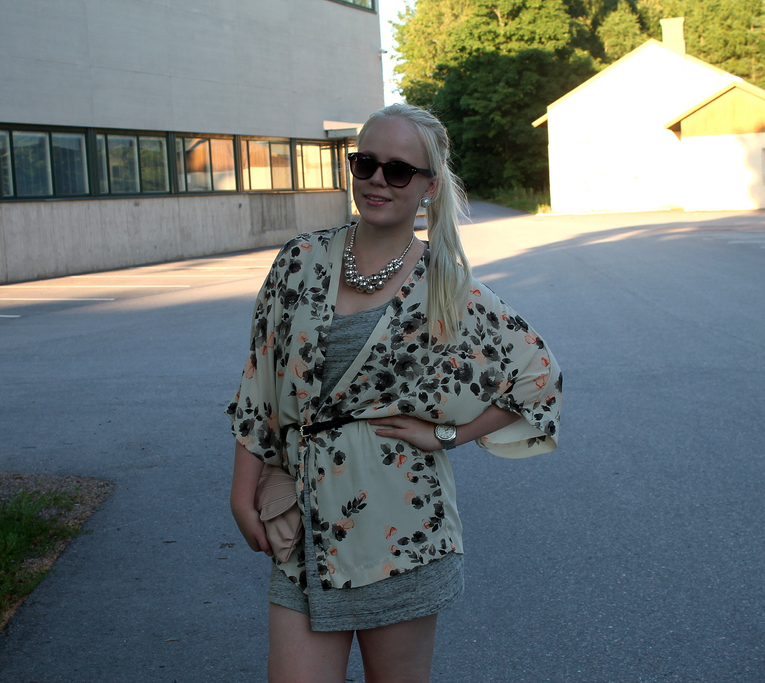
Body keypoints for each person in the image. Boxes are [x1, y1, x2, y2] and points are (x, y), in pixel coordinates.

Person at [227, 103, 561, 683]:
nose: (377, 180)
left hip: (401, 528)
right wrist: (242, 490)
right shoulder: (299, 263)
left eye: (398, 170)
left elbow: (538, 375)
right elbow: (259, 379)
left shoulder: (447, 286)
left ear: (429, 186)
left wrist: (447, 434)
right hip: (304, 524)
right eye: (365, 163)